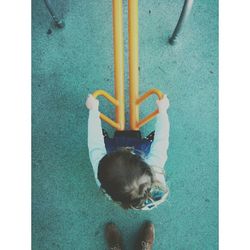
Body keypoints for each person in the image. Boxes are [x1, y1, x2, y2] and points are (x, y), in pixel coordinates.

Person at [86, 93, 170, 210]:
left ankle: (105, 137)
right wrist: (163, 110)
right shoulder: (156, 170)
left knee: (104, 143)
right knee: (146, 145)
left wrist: (93, 111)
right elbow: (162, 139)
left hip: (112, 151)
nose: (125, 147)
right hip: (139, 151)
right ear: (145, 166)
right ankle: (146, 140)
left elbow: (95, 143)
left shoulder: (103, 175)